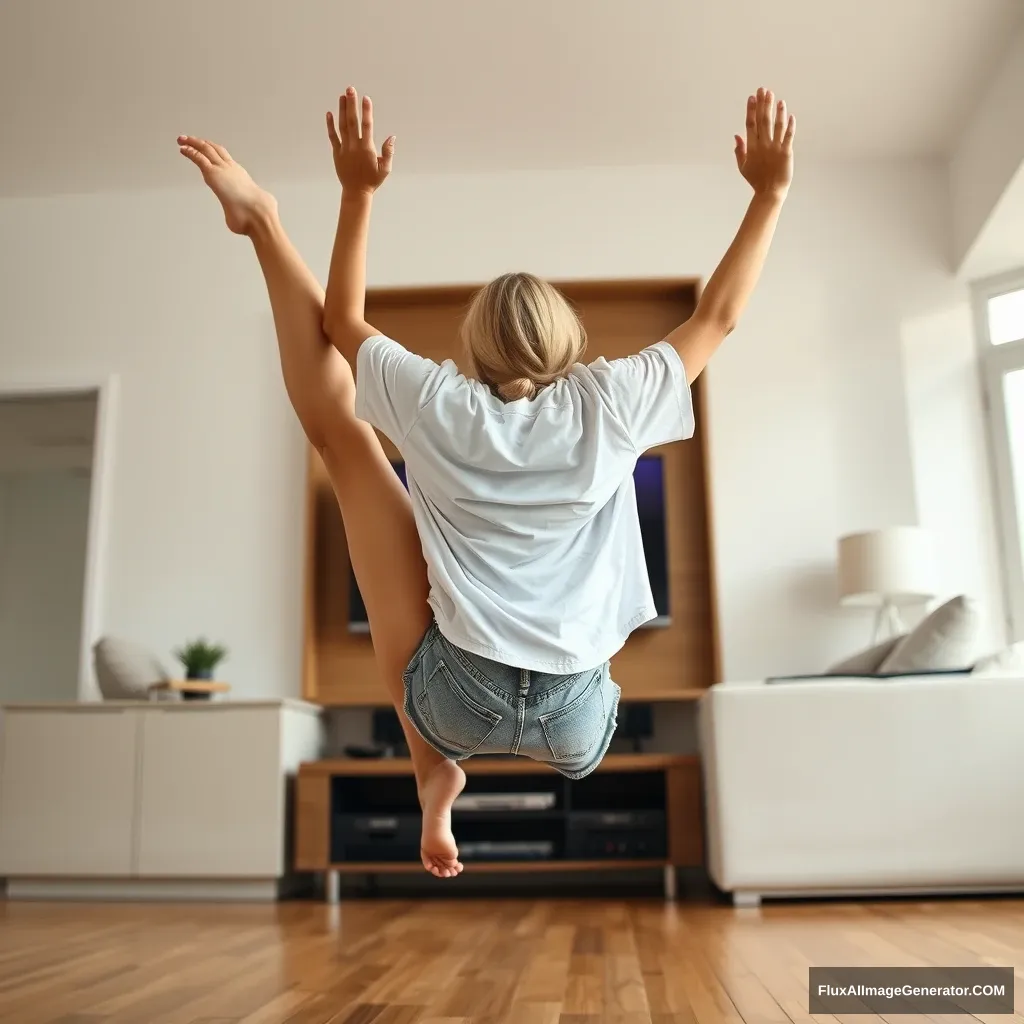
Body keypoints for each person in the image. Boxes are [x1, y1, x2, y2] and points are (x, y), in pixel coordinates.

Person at [177, 86, 794, 879]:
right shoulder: (612, 400)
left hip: (451, 703)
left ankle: (431, 769)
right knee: (592, 596)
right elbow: (719, 316)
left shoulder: (440, 403)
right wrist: (769, 194)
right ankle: (443, 766)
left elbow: (337, 324)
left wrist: (357, 195)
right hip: (577, 722)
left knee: (344, 443)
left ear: (475, 348)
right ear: (568, 342)